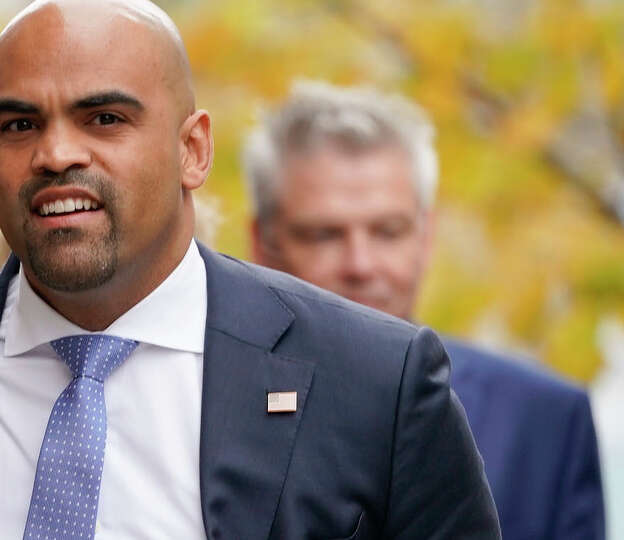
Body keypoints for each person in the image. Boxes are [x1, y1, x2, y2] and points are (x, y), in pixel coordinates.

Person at [0, 1, 500, 538]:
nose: (56, 154)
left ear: (194, 151)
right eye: (19, 124)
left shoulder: (375, 383)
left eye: (104, 119)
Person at [243, 79, 604, 539]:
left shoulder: (544, 421)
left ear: (426, 236)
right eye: (324, 235)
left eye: (388, 231)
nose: (361, 264)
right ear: (262, 243)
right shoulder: (206, 400)